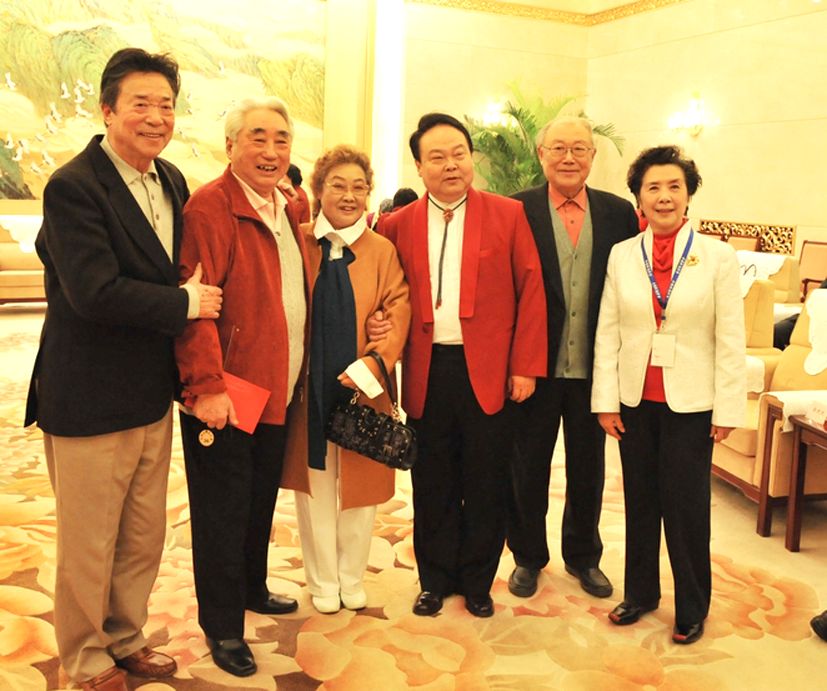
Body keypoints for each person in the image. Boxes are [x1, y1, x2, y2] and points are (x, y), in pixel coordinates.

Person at [24, 48, 222, 691]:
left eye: (166, 105)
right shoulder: (74, 186)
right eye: (141, 103)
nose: (156, 117)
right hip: (87, 394)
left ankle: (124, 636)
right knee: (89, 540)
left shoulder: (172, 180)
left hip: (149, 392)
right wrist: (186, 303)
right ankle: (85, 657)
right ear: (108, 110)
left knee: (141, 533)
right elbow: (94, 292)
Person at [376, 112, 547, 618]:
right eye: (437, 157)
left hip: (490, 371)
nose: (450, 165)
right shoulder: (396, 225)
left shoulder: (507, 215)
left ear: (471, 158)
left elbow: (531, 291)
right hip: (427, 369)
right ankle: (434, 579)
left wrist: (525, 367)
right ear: (418, 166)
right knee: (432, 480)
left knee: (486, 481)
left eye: (459, 154)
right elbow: (383, 296)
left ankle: (477, 582)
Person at [174, 97, 310, 677]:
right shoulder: (210, 207)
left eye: (281, 139)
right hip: (227, 393)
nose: (271, 151)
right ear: (230, 146)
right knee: (221, 514)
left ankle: (252, 586)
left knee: (258, 502)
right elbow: (195, 304)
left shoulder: (290, 204)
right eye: (258, 137)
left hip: (276, 387)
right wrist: (206, 386)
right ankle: (223, 627)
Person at [591, 145, 746, 645]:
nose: (664, 197)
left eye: (673, 186)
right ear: (639, 197)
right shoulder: (622, 254)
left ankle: (692, 605)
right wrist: (605, 400)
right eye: (653, 187)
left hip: (692, 404)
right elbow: (608, 331)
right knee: (639, 502)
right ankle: (640, 594)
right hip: (635, 399)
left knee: (685, 508)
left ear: (688, 194)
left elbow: (730, 338)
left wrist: (728, 407)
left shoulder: (718, 257)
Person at [506, 116, 639, 601]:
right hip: (534, 368)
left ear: (593, 157)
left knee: (589, 468)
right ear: (541, 154)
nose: (569, 157)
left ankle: (584, 556)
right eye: (558, 148)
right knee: (528, 466)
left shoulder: (619, 213)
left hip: (595, 368)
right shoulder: (516, 209)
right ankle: (527, 556)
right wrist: (513, 363)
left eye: (579, 149)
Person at [280, 145, 410, 614]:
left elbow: (397, 309)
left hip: (362, 386)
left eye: (359, 187)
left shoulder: (381, 250)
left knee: (360, 487)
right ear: (319, 190)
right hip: (308, 385)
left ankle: (351, 576)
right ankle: (322, 579)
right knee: (314, 484)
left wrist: (374, 362)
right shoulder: (296, 241)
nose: (349, 195)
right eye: (338, 185)